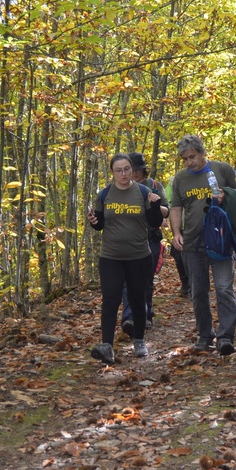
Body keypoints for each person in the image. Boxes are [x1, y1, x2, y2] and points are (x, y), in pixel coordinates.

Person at [169, 135, 236, 355]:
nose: (189, 162)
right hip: (193, 242)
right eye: (184, 158)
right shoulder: (180, 179)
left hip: (220, 241)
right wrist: (176, 233)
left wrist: (226, 196)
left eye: (192, 156)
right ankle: (205, 336)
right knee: (198, 292)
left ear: (202, 153)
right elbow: (176, 208)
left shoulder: (222, 170)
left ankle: (225, 337)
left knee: (223, 288)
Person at [86, 154, 163, 364]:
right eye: (119, 170)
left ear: (132, 171)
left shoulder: (143, 192)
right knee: (111, 299)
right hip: (111, 256)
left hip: (139, 256)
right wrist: (93, 221)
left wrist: (155, 206)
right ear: (112, 172)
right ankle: (107, 346)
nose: (123, 174)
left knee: (138, 299)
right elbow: (99, 224)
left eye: (127, 169)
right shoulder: (104, 195)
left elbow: (155, 223)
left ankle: (139, 340)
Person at [121, 152, 169, 334]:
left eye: (138, 170)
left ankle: (146, 314)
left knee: (146, 280)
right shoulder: (120, 188)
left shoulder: (155, 186)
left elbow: (167, 210)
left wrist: (154, 205)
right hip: (128, 240)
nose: (134, 174)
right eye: (131, 170)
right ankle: (129, 318)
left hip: (151, 238)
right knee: (128, 280)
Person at [167, 175, 191, 297]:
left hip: (195, 225)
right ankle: (185, 282)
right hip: (179, 225)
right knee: (178, 255)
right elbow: (167, 201)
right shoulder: (174, 180)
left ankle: (194, 284)